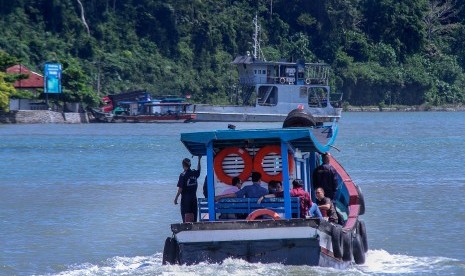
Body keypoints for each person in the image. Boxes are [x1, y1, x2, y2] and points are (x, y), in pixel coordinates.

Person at [174, 156, 201, 223]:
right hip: (194, 199)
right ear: (190, 165)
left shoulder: (183, 175)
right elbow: (199, 170)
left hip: (186, 200)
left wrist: (176, 198)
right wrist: (199, 160)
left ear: (183, 165)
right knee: (194, 219)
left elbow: (180, 188)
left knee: (186, 221)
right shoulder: (194, 173)